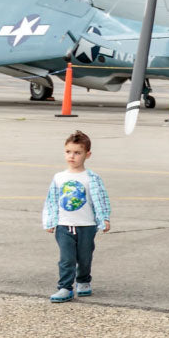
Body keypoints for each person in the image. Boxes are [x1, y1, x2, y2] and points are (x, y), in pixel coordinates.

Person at [41, 130, 111, 303]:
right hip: (64, 226)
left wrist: (104, 219)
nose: (72, 156)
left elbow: (101, 200)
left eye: (77, 153)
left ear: (87, 155)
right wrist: (50, 222)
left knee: (85, 257)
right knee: (67, 258)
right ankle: (65, 287)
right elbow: (51, 201)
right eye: (68, 152)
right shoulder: (59, 177)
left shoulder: (92, 178)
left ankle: (83, 280)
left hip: (87, 225)